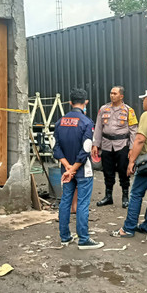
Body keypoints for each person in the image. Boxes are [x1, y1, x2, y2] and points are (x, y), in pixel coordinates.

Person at [111, 89, 147, 237]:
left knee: (136, 193)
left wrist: (131, 162)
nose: (143, 101)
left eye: (144, 99)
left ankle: (128, 228)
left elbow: (140, 139)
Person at [53, 88, 104, 250]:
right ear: (85, 102)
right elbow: (86, 149)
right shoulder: (87, 122)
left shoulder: (60, 122)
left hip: (66, 171)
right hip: (83, 171)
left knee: (65, 201)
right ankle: (83, 239)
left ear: (70, 102)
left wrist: (67, 168)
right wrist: (74, 168)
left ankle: (65, 237)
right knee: (82, 204)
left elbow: (55, 147)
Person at [92, 86, 138, 208]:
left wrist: (132, 148)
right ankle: (108, 196)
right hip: (107, 144)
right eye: (111, 93)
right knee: (107, 171)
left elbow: (134, 130)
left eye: (115, 93)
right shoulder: (103, 109)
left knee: (124, 171)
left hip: (122, 145)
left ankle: (125, 196)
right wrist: (95, 144)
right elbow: (98, 127)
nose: (112, 95)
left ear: (121, 96)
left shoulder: (129, 110)